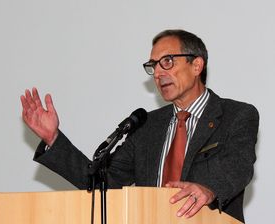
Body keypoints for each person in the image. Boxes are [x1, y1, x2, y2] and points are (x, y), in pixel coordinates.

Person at [21, 29, 259, 223]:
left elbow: (239, 165)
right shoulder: (147, 126)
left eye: (166, 62)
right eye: (153, 66)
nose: (157, 73)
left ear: (196, 65)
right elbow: (104, 180)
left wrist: (209, 189)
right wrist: (53, 139)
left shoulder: (236, 115)